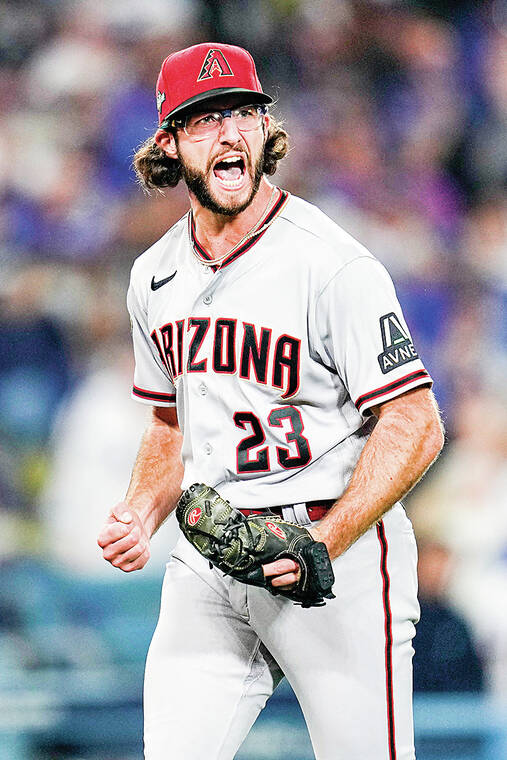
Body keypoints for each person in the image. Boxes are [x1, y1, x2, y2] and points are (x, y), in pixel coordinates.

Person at [97, 42, 444, 760]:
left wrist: (330, 539)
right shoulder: (152, 276)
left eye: (242, 114)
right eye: (202, 120)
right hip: (210, 557)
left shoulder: (331, 261)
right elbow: (170, 422)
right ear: (168, 143)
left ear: (265, 130)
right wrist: (140, 508)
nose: (227, 133)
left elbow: (414, 422)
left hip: (334, 553)